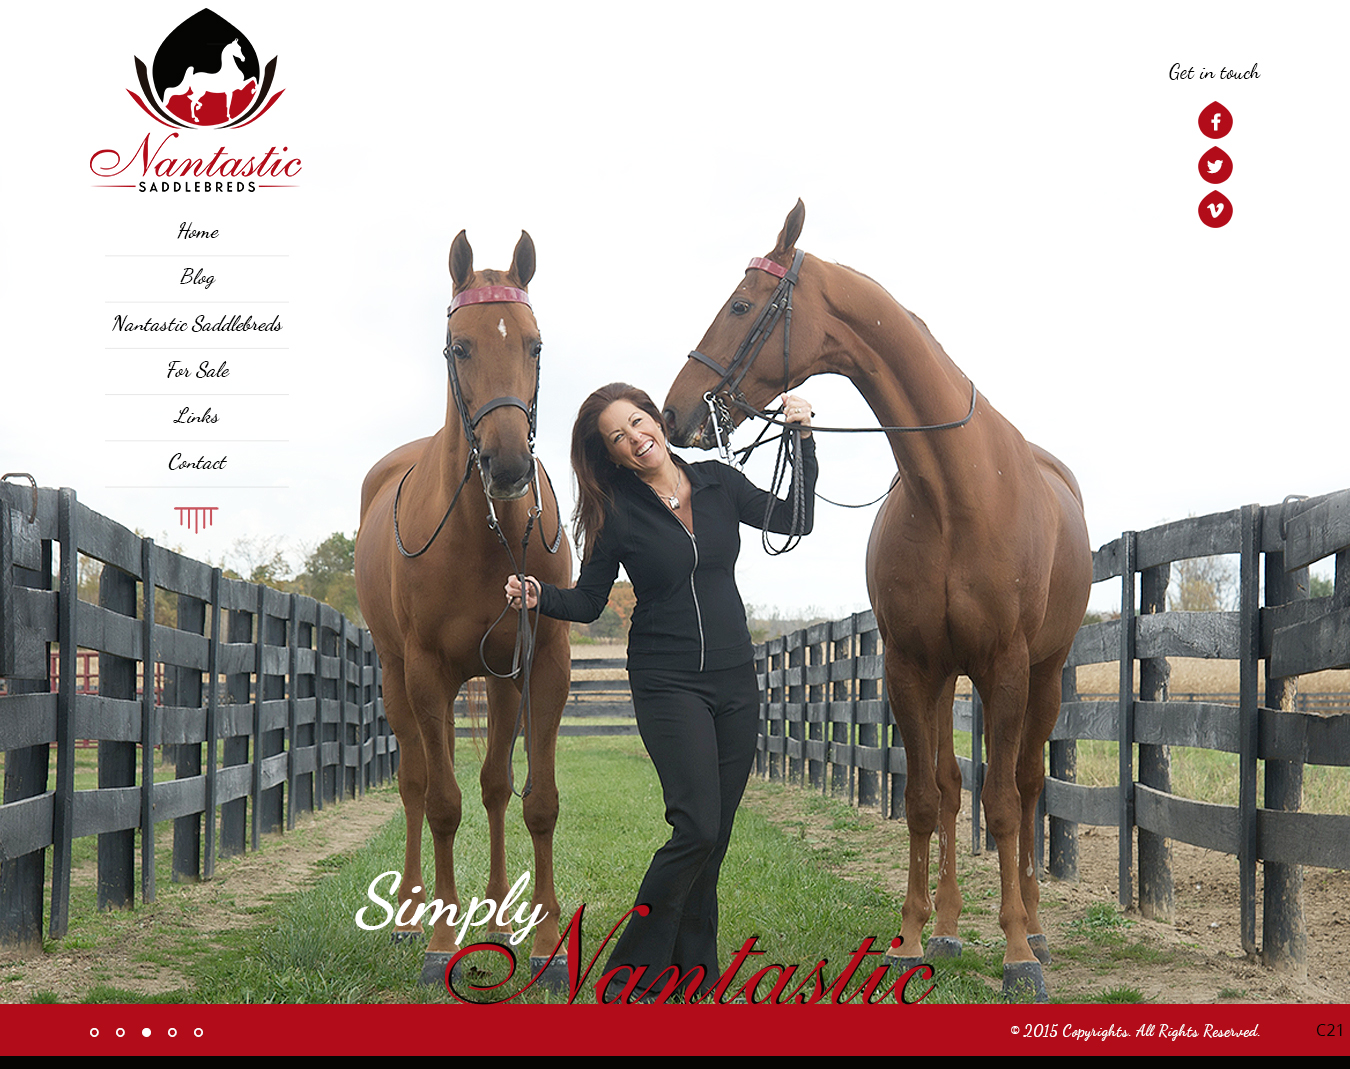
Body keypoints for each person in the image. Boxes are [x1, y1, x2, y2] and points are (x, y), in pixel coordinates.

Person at [505, 382, 816, 1003]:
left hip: (735, 678)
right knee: (695, 826)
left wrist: (801, 440)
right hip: (666, 679)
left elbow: (795, 519)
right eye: (617, 438)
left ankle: (693, 974)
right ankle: (630, 976)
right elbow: (590, 601)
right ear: (611, 456)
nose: (634, 438)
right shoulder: (615, 513)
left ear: (656, 419)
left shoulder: (718, 482)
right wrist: (542, 596)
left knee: (714, 838)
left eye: (637, 421)